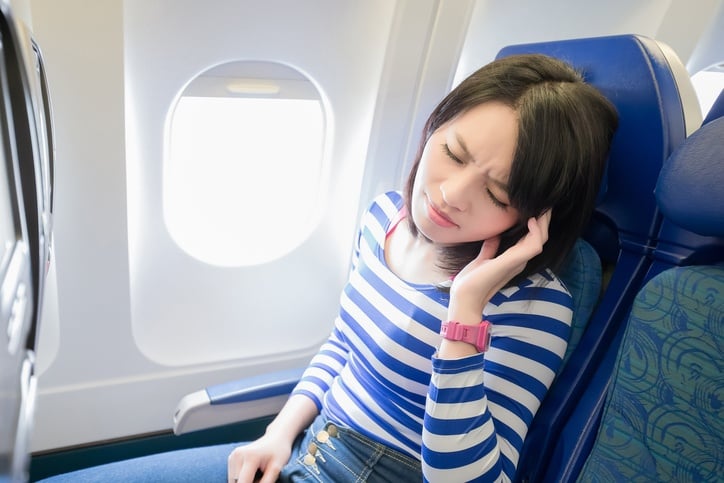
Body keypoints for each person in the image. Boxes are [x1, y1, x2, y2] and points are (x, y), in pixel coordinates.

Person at [39, 53, 617, 483]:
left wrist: (464, 316)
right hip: (312, 448)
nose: (450, 195)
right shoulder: (383, 219)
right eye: (454, 153)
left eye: (496, 192)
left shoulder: (532, 305)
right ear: (435, 126)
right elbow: (344, 346)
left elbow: (467, 479)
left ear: (532, 214)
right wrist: (278, 433)